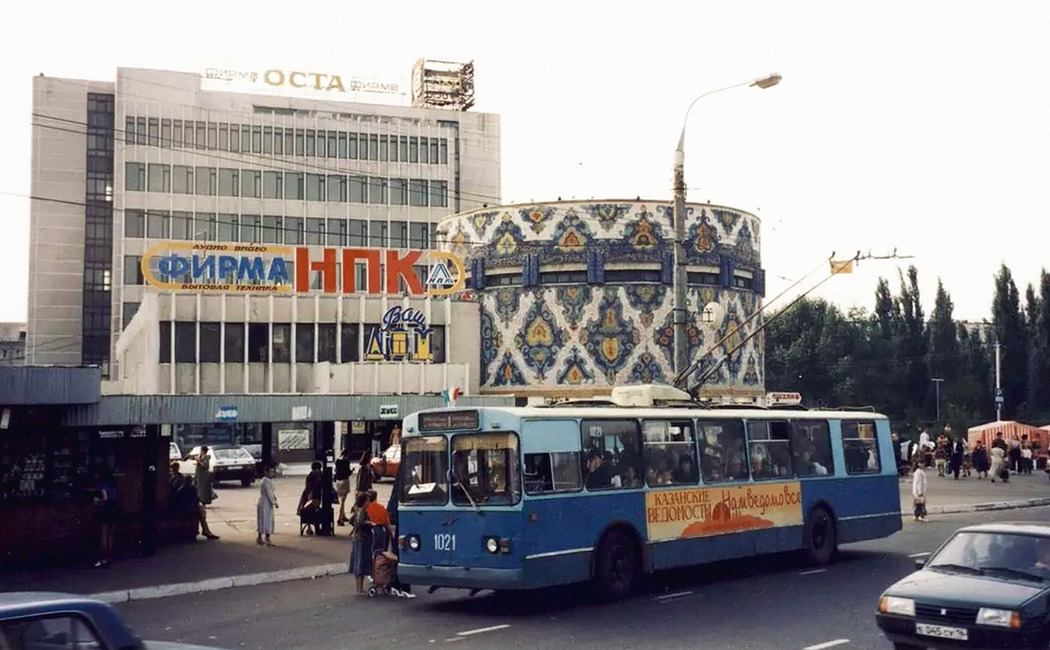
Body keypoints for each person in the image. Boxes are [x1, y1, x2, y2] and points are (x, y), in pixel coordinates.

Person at [171, 465, 219, 540]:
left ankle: (206, 530)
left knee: (201, 511)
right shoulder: (174, 480)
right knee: (200, 513)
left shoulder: (181, 479)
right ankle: (206, 530)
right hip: (183, 506)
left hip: (186, 505)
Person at [348, 493, 372, 595]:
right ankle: (359, 588)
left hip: (358, 538)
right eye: (367, 501)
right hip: (362, 538)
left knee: (359, 562)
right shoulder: (361, 511)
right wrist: (370, 523)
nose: (368, 503)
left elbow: (353, 521)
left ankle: (359, 587)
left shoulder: (357, 510)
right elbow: (360, 522)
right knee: (360, 562)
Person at [94, 469, 118, 567]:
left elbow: (105, 497)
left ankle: (103, 557)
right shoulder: (113, 485)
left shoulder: (102, 485)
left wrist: (98, 501)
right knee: (111, 533)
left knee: (104, 532)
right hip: (114, 507)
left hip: (106, 507)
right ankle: (109, 556)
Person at [256, 464, 278, 546]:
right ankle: (266, 538)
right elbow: (269, 493)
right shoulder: (266, 481)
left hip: (265, 502)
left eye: (273, 471)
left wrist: (274, 497)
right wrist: (274, 502)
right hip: (265, 503)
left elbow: (271, 492)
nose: (272, 473)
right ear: (266, 472)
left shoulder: (266, 480)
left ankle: (260, 537)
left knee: (263, 520)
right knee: (266, 520)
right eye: (271, 471)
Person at [334, 450, 353, 526]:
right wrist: (352, 471)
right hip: (344, 481)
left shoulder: (337, 461)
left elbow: (336, 471)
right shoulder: (346, 462)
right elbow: (347, 472)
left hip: (338, 481)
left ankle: (343, 515)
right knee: (343, 501)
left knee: (342, 500)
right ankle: (340, 518)